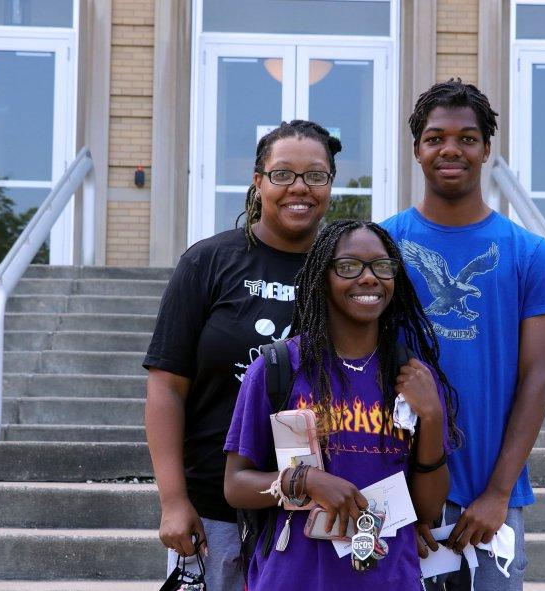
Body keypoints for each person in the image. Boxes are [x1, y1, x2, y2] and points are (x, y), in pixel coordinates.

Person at [381, 79, 545, 590]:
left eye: (467, 138)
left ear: (487, 149)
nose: (451, 149)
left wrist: (498, 493)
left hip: (489, 504)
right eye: (435, 137)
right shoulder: (382, 247)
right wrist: (393, 499)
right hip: (394, 497)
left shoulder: (529, 254)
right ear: (418, 150)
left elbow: (537, 380)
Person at [143, 120, 342, 589]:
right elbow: (166, 386)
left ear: (331, 184)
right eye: (282, 174)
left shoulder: (345, 271)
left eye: (316, 175)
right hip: (216, 510)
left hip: (314, 510)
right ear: (258, 182)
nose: (300, 188)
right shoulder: (207, 262)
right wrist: (173, 500)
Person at [223, 220, 460, 590]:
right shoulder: (278, 368)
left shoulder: (412, 377)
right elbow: (235, 485)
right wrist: (306, 480)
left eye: (382, 267)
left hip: (386, 578)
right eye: (349, 266)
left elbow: (428, 510)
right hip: (292, 577)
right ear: (322, 277)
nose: (369, 278)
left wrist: (431, 415)